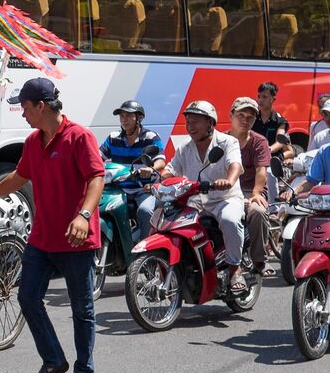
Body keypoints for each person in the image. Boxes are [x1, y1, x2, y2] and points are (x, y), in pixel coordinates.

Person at [0, 78, 103, 373]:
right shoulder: (33, 141)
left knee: (81, 307)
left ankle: (84, 369)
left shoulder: (79, 137)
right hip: (42, 237)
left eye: (26, 108)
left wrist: (84, 216)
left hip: (76, 239)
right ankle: (54, 359)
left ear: (41, 106)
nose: (23, 114)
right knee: (27, 297)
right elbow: (20, 176)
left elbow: (96, 177)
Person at [157, 100, 248, 294]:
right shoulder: (184, 148)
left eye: (195, 122)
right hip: (196, 200)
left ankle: (234, 269)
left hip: (225, 198)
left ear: (210, 123)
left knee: (230, 221)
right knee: (169, 222)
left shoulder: (227, 142)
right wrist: (158, 178)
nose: (190, 126)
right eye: (188, 122)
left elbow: (235, 165)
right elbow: (171, 170)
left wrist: (229, 180)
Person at [98, 100, 165, 236]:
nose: (124, 120)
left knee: (145, 211)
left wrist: (151, 169)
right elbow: (97, 158)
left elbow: (160, 161)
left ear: (139, 118)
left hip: (144, 188)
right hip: (119, 189)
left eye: (128, 116)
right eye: (121, 116)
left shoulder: (150, 137)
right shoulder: (113, 138)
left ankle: (145, 249)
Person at [225, 97, 272, 276]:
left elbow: (261, 171)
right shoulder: (221, 140)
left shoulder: (259, 141)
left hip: (251, 191)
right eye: (241, 115)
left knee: (258, 212)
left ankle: (259, 260)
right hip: (225, 192)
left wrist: (255, 193)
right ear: (231, 115)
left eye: (250, 117)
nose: (245, 120)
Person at [256, 81, 292, 178]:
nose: (260, 100)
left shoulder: (279, 121)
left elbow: (280, 141)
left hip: (271, 162)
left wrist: (267, 150)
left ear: (273, 99)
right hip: (254, 160)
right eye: (259, 96)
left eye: (264, 97)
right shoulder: (253, 117)